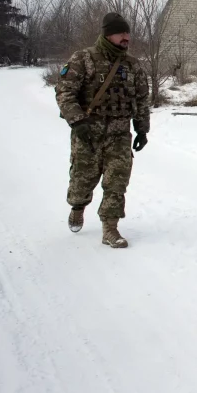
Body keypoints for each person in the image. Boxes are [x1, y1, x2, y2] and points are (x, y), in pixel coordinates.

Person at [55, 12, 150, 248]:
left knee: (117, 180)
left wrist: (141, 128)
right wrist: (78, 122)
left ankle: (110, 228)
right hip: (88, 132)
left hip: (119, 134)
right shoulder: (83, 59)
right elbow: (65, 93)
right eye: (121, 33)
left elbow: (141, 98)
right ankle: (77, 207)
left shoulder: (133, 65)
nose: (126, 37)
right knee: (82, 180)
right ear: (108, 34)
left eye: (128, 33)